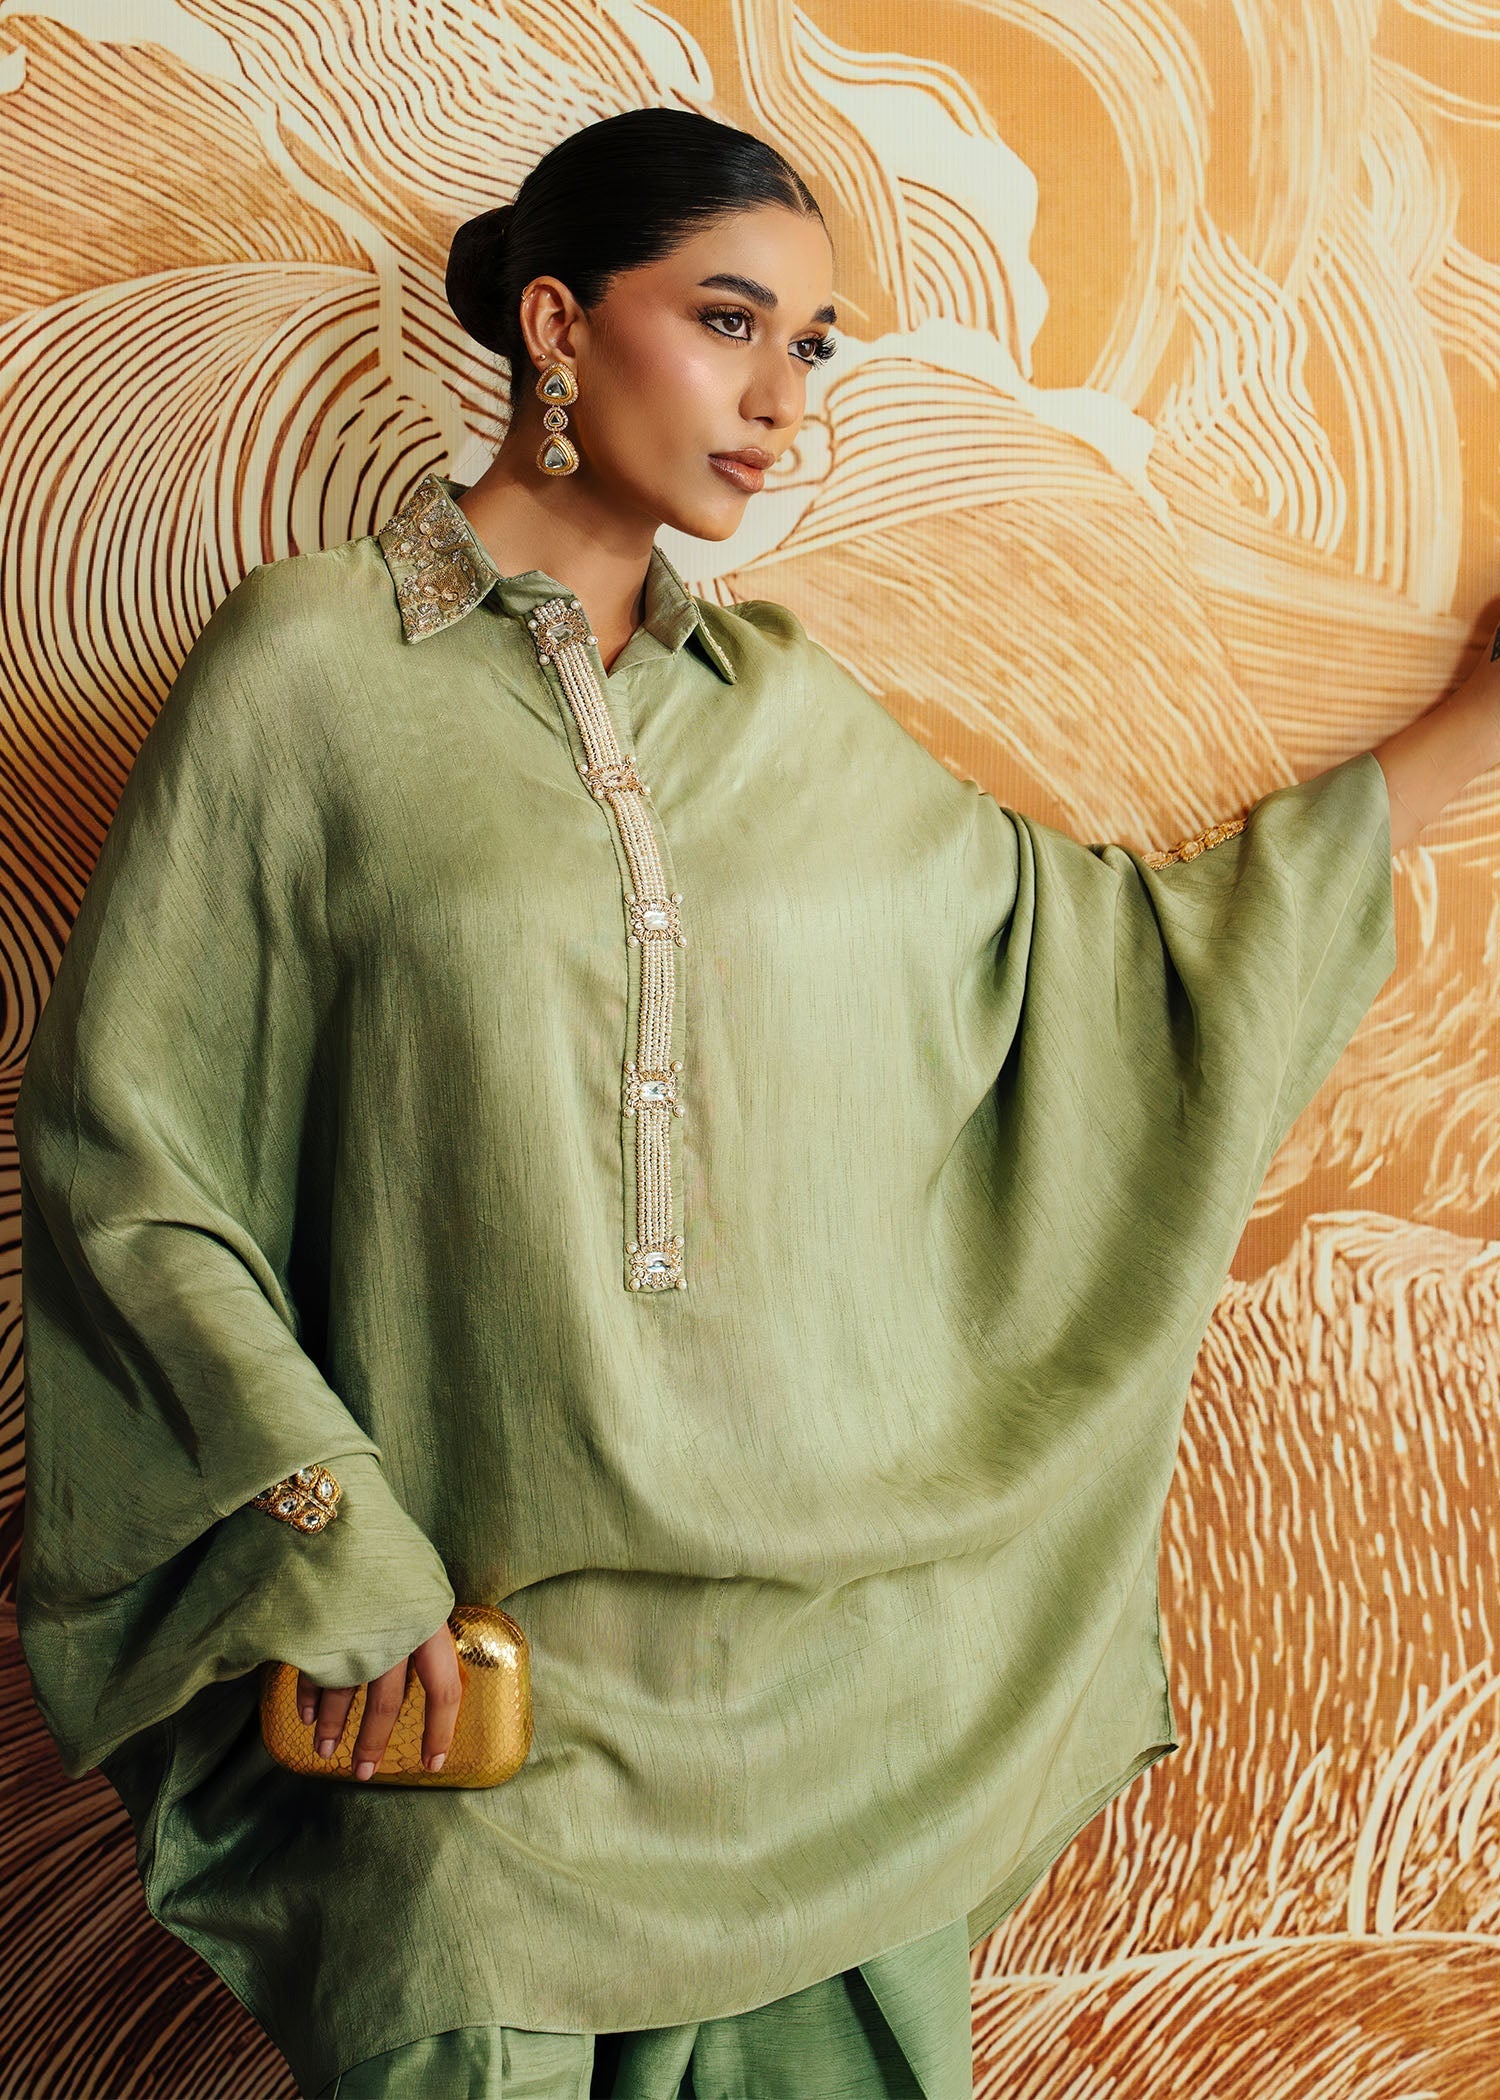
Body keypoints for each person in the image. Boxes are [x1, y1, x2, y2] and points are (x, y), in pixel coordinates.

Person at [12, 103, 1498, 2100]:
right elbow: (133, 1159)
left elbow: (1123, 972)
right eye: (728, 321)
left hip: (818, 1720)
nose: (782, 396)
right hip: (474, 1704)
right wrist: (332, 1546)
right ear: (559, 324)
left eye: (811, 345)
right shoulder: (312, 674)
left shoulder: (792, 716)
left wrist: (1467, 732)